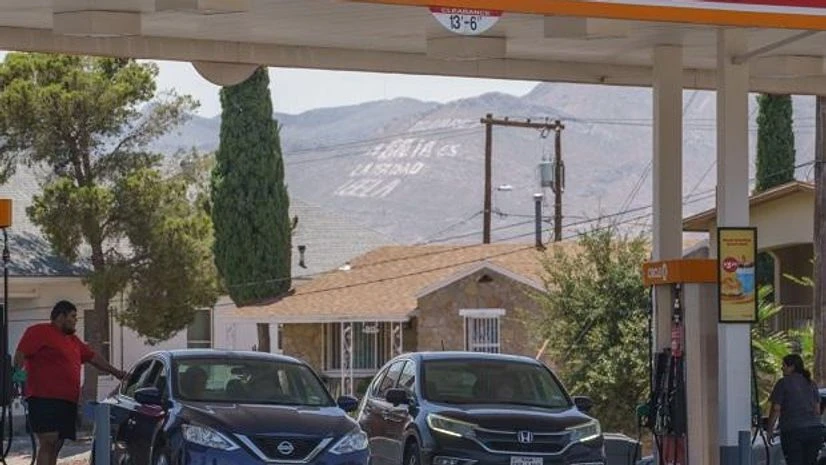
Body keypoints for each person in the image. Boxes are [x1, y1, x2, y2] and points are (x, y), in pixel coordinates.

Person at [13, 300, 127, 465]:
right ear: (61, 316)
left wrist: (116, 372)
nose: (76, 320)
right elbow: (20, 355)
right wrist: (18, 380)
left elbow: (93, 357)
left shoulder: (73, 341)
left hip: (67, 401)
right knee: (49, 441)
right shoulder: (39, 332)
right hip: (43, 398)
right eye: (73, 316)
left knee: (57, 444)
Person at [766, 354, 825, 465]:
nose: (782, 368)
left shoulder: (783, 383)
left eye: (784, 365)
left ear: (792, 367)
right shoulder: (811, 383)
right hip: (815, 430)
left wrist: (769, 430)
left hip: (793, 431)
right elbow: (817, 410)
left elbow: (776, 409)